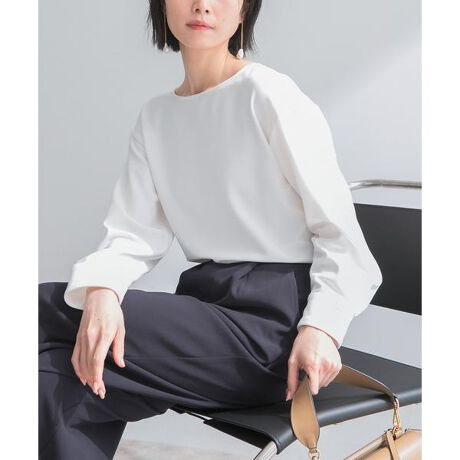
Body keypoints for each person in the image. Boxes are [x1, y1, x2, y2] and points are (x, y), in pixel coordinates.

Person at [39, 1, 383, 458]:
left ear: (244, 11)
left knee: (39, 309)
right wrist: (101, 291)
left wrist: (322, 327)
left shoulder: (268, 95)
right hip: (206, 310)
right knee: (50, 376)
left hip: (274, 332)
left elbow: (343, 238)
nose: (202, 4)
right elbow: (132, 234)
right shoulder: (156, 117)